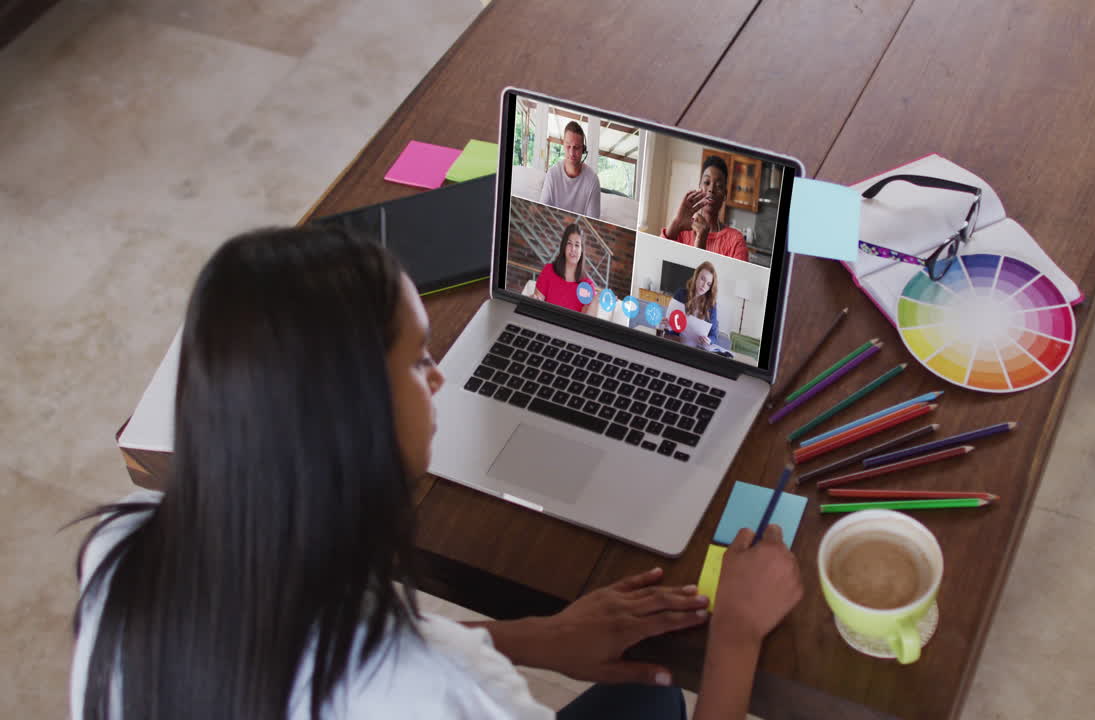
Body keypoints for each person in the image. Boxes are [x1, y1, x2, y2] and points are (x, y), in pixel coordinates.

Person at [70, 226, 803, 720]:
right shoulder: (441, 697)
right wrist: (735, 634)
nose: (441, 379)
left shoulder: (123, 554)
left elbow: (324, 644)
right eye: (420, 360)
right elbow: (410, 675)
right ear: (358, 421)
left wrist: (534, 638)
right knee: (661, 697)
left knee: (645, 699)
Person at [662, 156, 748, 262]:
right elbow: (658, 258)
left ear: (725, 195)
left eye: (719, 186)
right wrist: (676, 223)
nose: (711, 189)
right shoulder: (682, 230)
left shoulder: (736, 241)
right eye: (707, 183)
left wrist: (701, 240)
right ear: (699, 186)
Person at [539, 121, 601, 219]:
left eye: (576, 147)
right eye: (568, 146)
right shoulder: (552, 174)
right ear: (563, 145)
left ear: (583, 150)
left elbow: (593, 223)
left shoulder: (593, 181)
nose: (571, 153)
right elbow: (541, 212)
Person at [532, 222, 598, 313]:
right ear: (564, 246)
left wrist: (595, 301)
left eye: (577, 245)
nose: (573, 249)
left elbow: (586, 322)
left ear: (582, 251)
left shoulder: (587, 286)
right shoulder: (549, 270)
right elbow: (537, 305)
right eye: (569, 243)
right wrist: (534, 301)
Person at [662, 261, 720, 350]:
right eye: (703, 279)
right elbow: (671, 328)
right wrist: (668, 326)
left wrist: (709, 340)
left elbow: (714, 336)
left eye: (708, 284)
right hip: (676, 346)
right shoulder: (680, 294)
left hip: (697, 351)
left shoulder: (711, 306)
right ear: (696, 276)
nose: (704, 285)